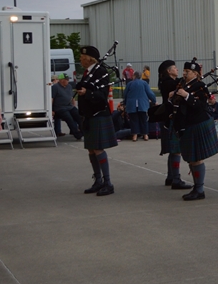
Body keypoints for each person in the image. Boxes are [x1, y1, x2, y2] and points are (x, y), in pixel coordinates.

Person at [172, 59, 218, 201]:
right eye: (184, 71)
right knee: (191, 158)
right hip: (187, 125)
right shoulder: (183, 85)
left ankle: (199, 189)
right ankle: (196, 187)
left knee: (196, 158)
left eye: (187, 72)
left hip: (197, 124)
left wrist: (186, 95)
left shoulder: (200, 86)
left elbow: (199, 105)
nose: (184, 74)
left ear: (195, 73)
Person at [76, 45, 117, 196]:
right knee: (91, 149)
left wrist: (87, 93)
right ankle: (98, 180)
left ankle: (108, 183)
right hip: (89, 115)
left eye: (82, 56)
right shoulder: (88, 73)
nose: (80, 59)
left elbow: (101, 95)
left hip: (99, 114)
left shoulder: (100, 71)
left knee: (98, 148)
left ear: (88, 58)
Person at [157, 59, 192, 190]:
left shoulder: (167, 82)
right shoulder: (169, 83)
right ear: (169, 71)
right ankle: (176, 179)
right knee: (176, 150)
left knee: (173, 151)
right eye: (175, 68)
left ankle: (171, 177)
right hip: (173, 118)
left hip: (169, 118)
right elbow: (184, 85)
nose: (177, 70)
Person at [123, 71, 156, 142]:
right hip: (142, 104)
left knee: (133, 120)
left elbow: (125, 94)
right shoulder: (144, 83)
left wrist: (124, 103)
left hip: (132, 104)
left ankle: (135, 135)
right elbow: (149, 93)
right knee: (144, 119)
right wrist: (154, 100)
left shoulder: (130, 84)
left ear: (134, 76)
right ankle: (145, 135)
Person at [51, 73, 83, 140]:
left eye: (68, 79)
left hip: (69, 106)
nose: (68, 81)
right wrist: (52, 109)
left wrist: (74, 105)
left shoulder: (69, 86)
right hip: (60, 108)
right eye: (66, 80)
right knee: (69, 118)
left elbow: (71, 97)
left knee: (79, 116)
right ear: (62, 80)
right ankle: (77, 134)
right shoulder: (55, 87)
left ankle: (84, 131)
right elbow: (52, 98)